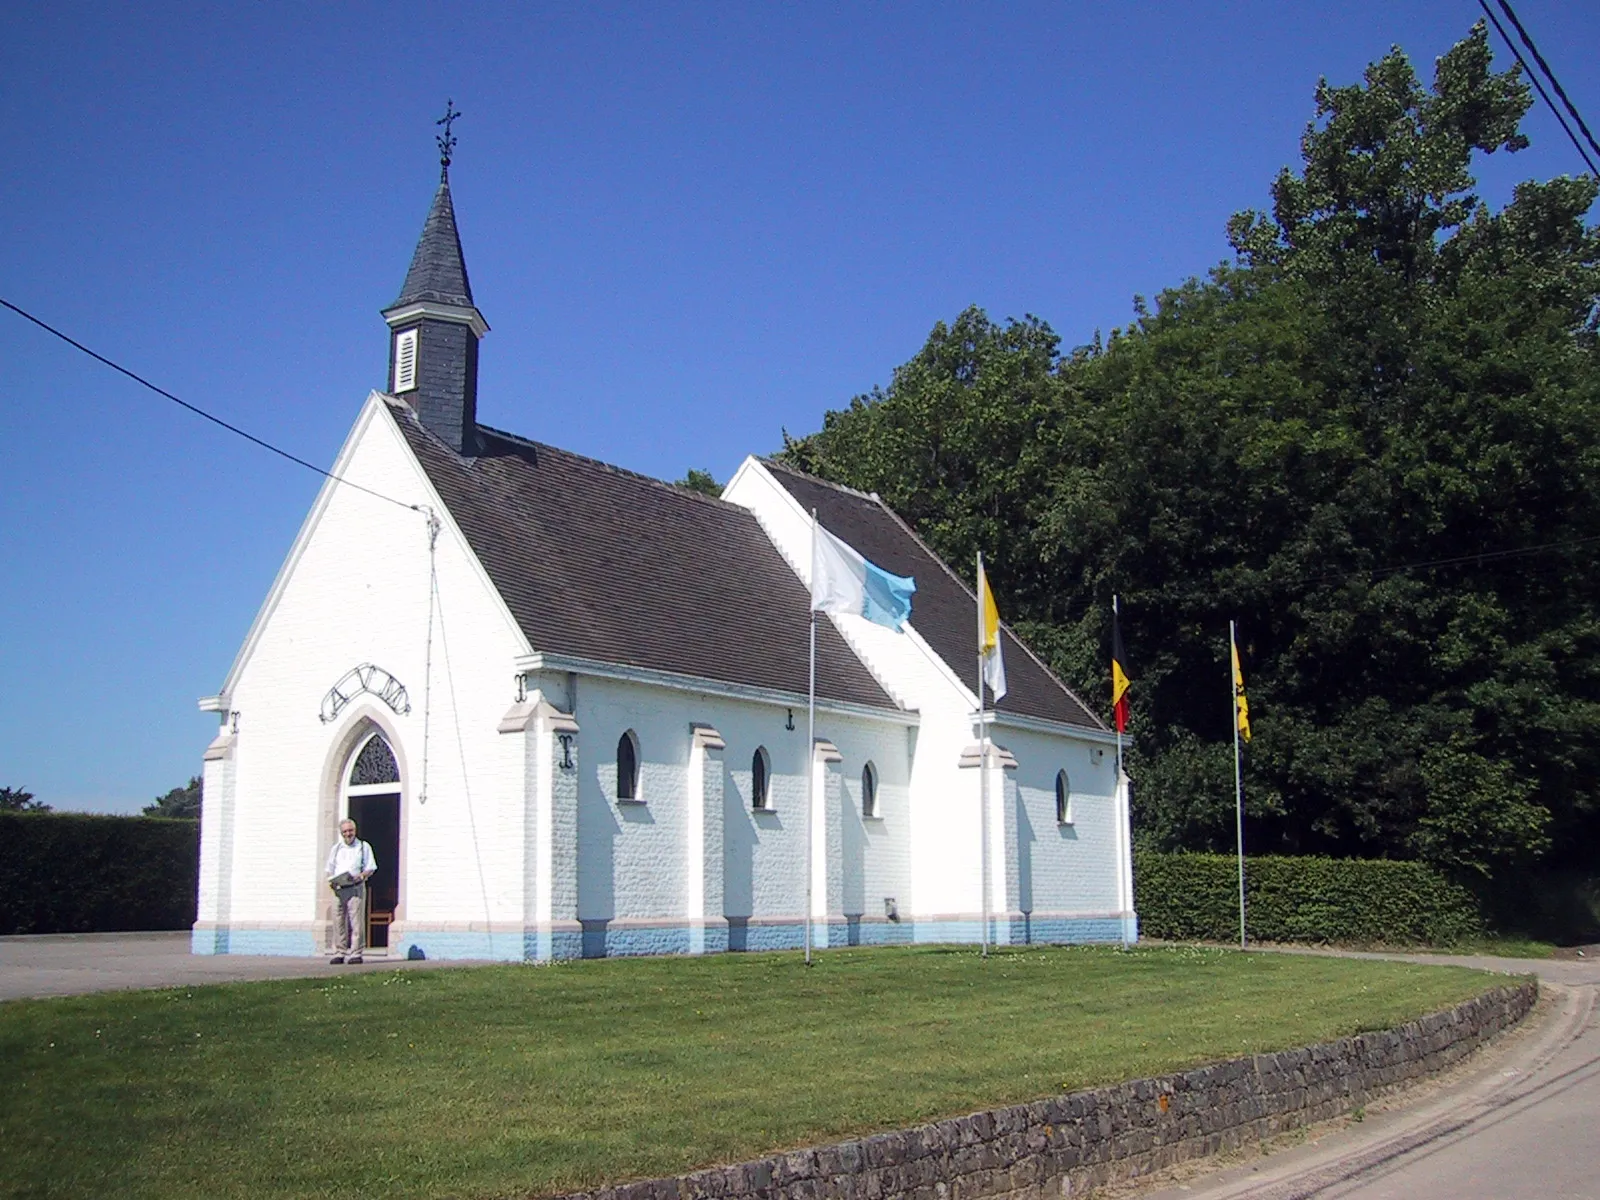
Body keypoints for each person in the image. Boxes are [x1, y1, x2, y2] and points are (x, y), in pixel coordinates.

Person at [325, 818, 376, 964]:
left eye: (350, 831)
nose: (348, 834)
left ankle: (356, 953)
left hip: (355, 887)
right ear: (341, 833)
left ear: (355, 830)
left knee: (356, 921)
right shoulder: (336, 849)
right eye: (345, 831)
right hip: (339, 888)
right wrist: (331, 880)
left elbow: (370, 867)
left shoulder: (363, 846)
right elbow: (329, 869)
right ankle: (340, 951)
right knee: (338, 920)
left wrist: (361, 875)